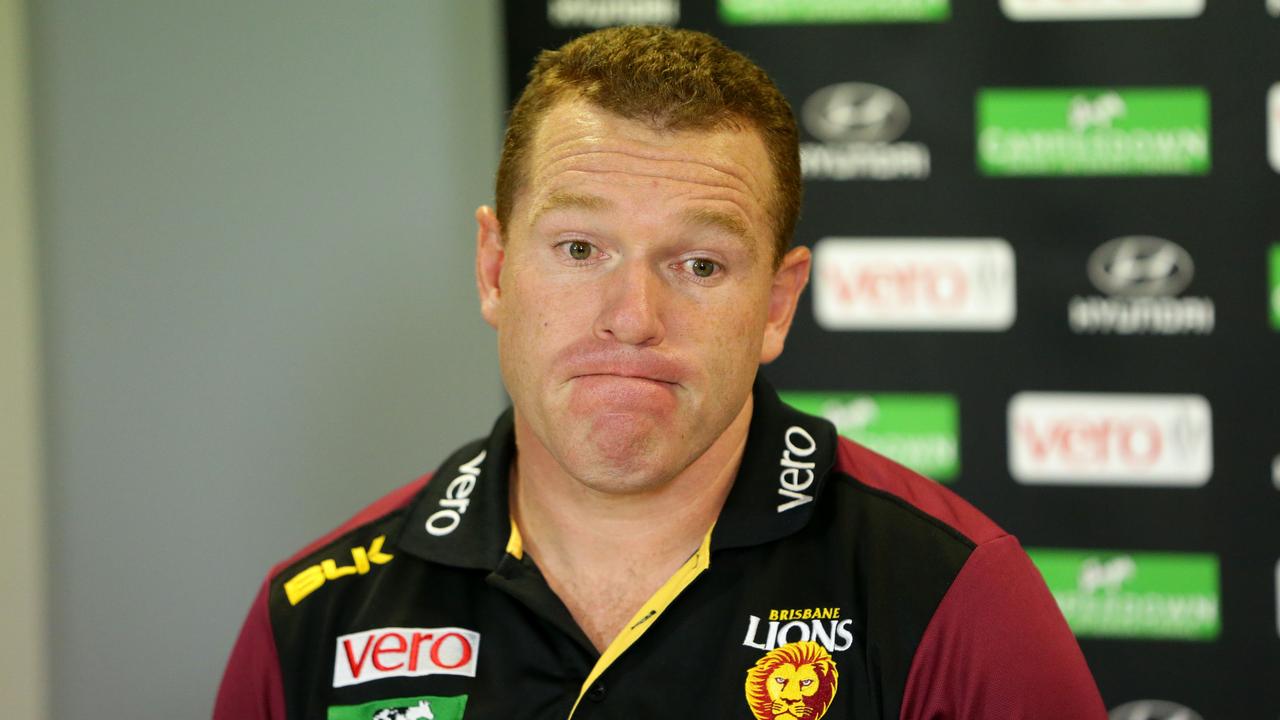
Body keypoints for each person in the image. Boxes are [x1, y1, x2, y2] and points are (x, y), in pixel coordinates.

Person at [214, 26, 1107, 720]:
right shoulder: (318, 615)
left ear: (776, 304)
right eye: (578, 247)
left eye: (700, 265)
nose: (633, 317)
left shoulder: (953, 595)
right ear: (493, 269)